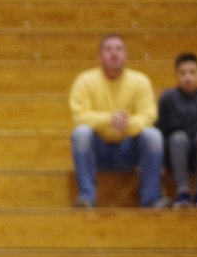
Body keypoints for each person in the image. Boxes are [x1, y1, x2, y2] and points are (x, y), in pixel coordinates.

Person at [69, 33, 162, 208]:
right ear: (99, 57)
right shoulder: (84, 80)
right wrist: (109, 119)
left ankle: (151, 199)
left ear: (126, 56)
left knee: (153, 136)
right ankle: (87, 197)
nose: (114, 53)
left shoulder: (140, 81)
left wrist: (128, 124)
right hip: (98, 150)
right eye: (108, 49)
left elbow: (150, 115)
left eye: (119, 49)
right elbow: (79, 116)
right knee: (80, 133)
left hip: (129, 149)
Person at [157, 53, 197, 208]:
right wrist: (161, 163)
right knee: (178, 137)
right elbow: (161, 132)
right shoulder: (168, 98)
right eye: (183, 73)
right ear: (176, 75)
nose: (188, 77)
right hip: (175, 155)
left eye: (192, 72)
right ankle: (182, 193)